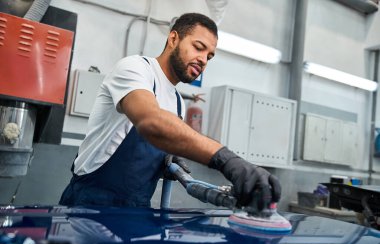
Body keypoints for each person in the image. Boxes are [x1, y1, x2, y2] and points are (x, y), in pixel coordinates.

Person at [59, 13, 281, 210]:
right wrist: (227, 159)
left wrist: (164, 160)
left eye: (209, 56)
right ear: (173, 39)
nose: (203, 60)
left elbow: (162, 135)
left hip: (136, 212)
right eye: (198, 47)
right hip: (89, 205)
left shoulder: (177, 103)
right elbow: (151, 122)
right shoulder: (136, 68)